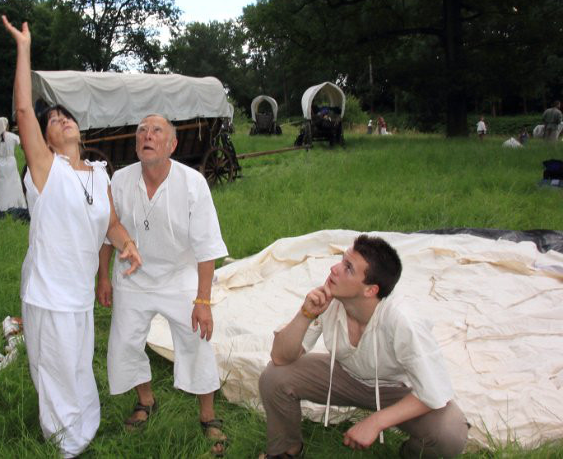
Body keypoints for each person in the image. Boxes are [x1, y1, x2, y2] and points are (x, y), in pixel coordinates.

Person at [2, 15, 142, 459]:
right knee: (55, 369)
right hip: (48, 291)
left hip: (78, 293)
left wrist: (126, 243)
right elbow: (23, 112)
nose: (61, 120)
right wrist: (24, 49)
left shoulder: (99, 173)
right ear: (44, 139)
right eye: (53, 120)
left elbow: (110, 224)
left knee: (79, 364)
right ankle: (64, 444)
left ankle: (85, 427)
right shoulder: (46, 170)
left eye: (66, 116)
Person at [258, 235, 467, 458]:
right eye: (342, 260)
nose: (334, 269)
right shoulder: (329, 297)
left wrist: (376, 421)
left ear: (370, 290)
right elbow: (280, 357)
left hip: (396, 389)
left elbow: (435, 390)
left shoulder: (403, 320)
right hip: (343, 376)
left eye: (348, 268)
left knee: (450, 432)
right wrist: (305, 314)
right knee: (275, 376)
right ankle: (285, 451)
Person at [96, 115, 229, 455]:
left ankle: (208, 416)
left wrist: (203, 301)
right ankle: (146, 400)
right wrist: (103, 277)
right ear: (135, 143)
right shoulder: (121, 180)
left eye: (156, 131)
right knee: (125, 342)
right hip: (132, 276)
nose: (147, 135)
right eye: (142, 131)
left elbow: (207, 247)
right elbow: (109, 232)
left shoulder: (192, 183)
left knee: (196, 341)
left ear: (172, 145)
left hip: (179, 275)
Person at [0, 117, 27, 215]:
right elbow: (23, 145)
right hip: (11, 162)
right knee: (13, 184)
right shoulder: (12, 136)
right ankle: (16, 205)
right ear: (7, 126)